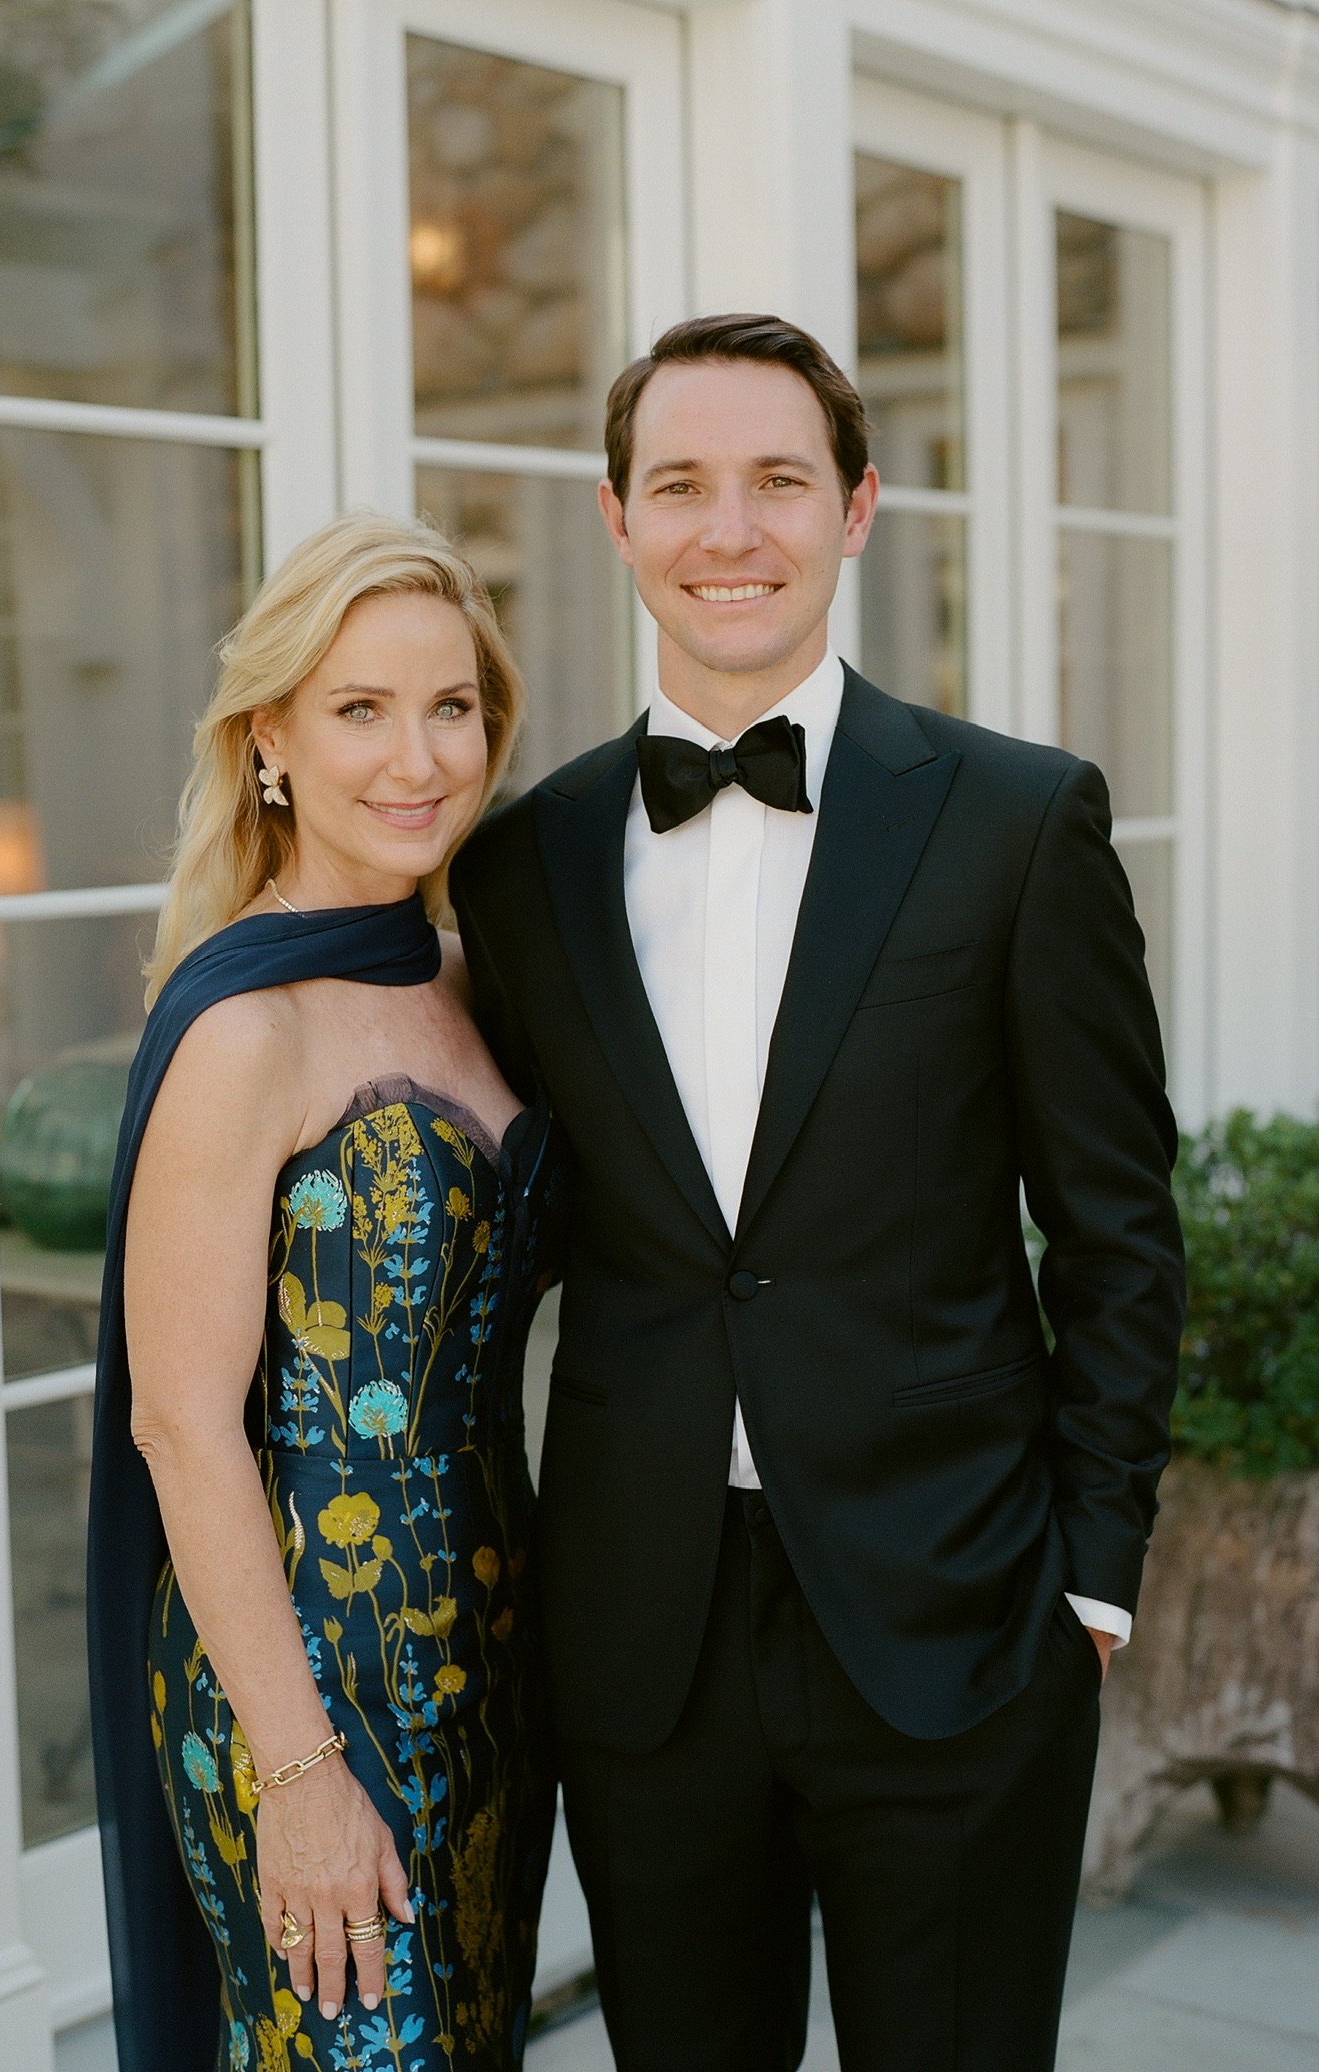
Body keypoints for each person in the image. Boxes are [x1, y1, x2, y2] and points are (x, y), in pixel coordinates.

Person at [449, 313, 1185, 2072]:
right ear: (615, 519)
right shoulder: (520, 860)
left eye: (777, 480)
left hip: (956, 1616)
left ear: (856, 509)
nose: (731, 530)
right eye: (682, 485)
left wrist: (1089, 1584)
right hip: (643, 1637)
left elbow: (1117, 1228)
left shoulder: (1014, 821)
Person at [86, 512, 560, 2072]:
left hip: (495, 1660)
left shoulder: (470, 974)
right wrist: (296, 1778)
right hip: (307, 1682)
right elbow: (180, 1426)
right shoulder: (245, 1026)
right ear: (270, 738)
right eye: (360, 708)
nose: (416, 756)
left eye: (451, 705)